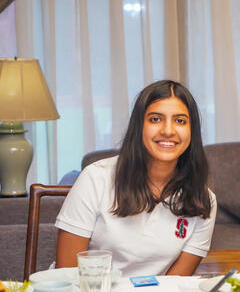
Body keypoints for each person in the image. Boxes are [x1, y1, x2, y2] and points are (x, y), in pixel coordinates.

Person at [55, 80, 216, 276]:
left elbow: (174, 285)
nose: (168, 130)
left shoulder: (203, 199)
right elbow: (66, 274)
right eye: (155, 119)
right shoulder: (96, 178)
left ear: (192, 131)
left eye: (180, 121)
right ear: (139, 126)